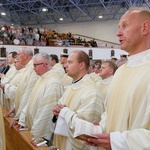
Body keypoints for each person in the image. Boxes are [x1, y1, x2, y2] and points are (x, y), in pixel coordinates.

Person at [84, 7, 150, 149]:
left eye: (125, 26)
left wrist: (117, 141)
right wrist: (101, 128)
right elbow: (110, 111)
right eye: (119, 27)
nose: (118, 33)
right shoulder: (120, 71)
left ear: (145, 28)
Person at [52, 50, 104, 150]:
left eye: (70, 62)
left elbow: (85, 132)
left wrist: (64, 112)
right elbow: (60, 111)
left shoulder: (91, 92)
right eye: (66, 62)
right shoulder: (71, 87)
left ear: (81, 65)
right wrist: (56, 112)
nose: (65, 66)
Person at [18, 53, 64, 144]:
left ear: (44, 65)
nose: (33, 68)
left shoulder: (53, 82)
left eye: (35, 65)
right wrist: (22, 120)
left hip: (43, 137)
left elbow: (46, 112)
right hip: (33, 127)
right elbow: (31, 100)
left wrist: (37, 134)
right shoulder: (42, 78)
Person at [6, 47, 39, 126]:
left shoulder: (32, 69)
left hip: (27, 114)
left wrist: (20, 117)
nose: (16, 57)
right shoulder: (27, 68)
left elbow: (28, 94)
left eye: (18, 54)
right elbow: (22, 91)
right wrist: (15, 107)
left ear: (25, 55)